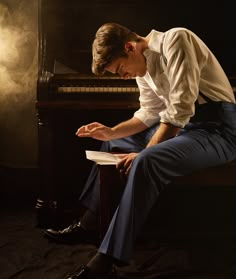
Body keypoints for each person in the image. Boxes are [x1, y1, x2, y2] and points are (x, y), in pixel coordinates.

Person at [44, 23, 236, 278]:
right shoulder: (142, 68)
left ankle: (107, 259)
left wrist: (145, 152)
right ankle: (88, 224)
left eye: (120, 69)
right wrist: (110, 132)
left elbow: (179, 110)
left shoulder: (176, 39)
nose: (123, 76)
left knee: (147, 160)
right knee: (113, 145)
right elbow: (148, 114)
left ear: (129, 47)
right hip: (187, 128)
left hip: (218, 131)